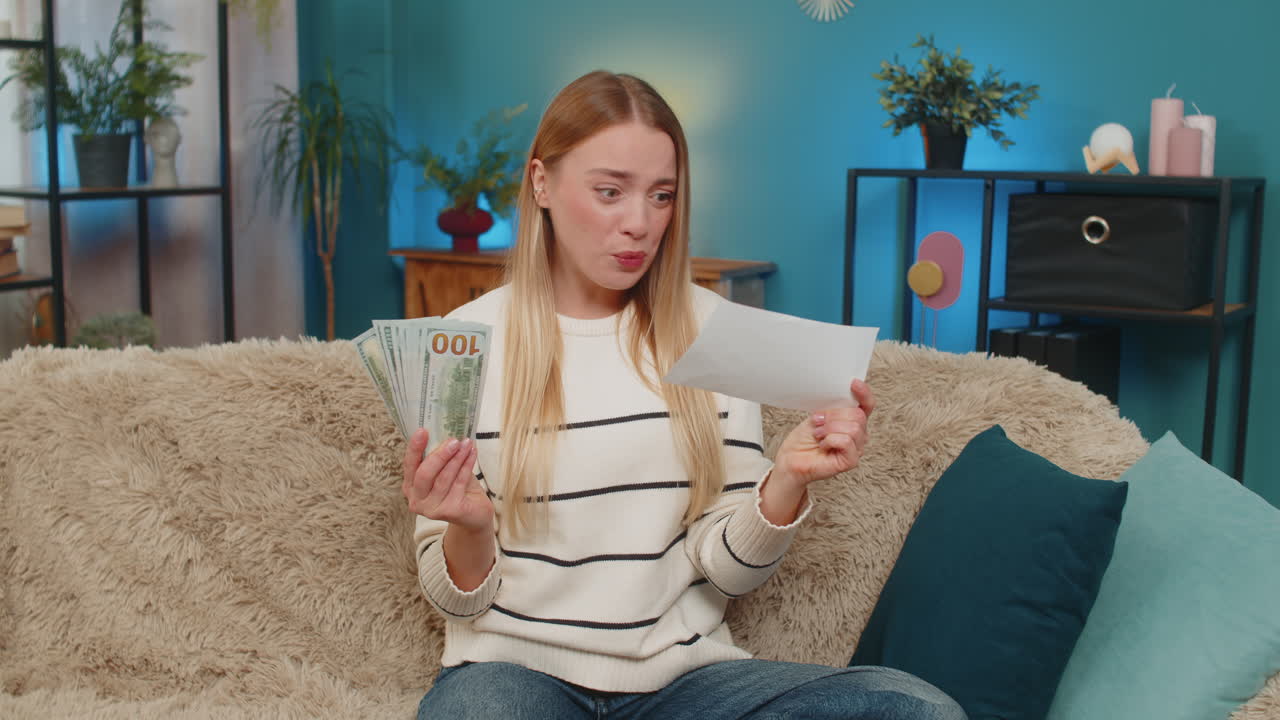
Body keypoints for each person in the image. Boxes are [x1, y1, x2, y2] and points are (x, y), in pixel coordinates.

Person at [405, 70, 966, 720]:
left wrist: (785, 482)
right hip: (512, 679)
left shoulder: (709, 333)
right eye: (610, 191)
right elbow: (457, 603)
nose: (640, 224)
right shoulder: (464, 342)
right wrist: (468, 528)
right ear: (542, 184)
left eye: (662, 196)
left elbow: (727, 573)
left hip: (685, 686)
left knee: (916, 709)